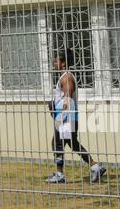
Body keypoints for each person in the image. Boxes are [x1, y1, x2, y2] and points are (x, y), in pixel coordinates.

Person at [45, 50, 106, 184]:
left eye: (57, 61)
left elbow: (68, 98)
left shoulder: (66, 78)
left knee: (57, 144)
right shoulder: (63, 77)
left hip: (66, 118)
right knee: (72, 143)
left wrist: (61, 117)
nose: (55, 63)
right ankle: (95, 166)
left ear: (63, 62)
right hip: (67, 117)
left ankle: (60, 175)